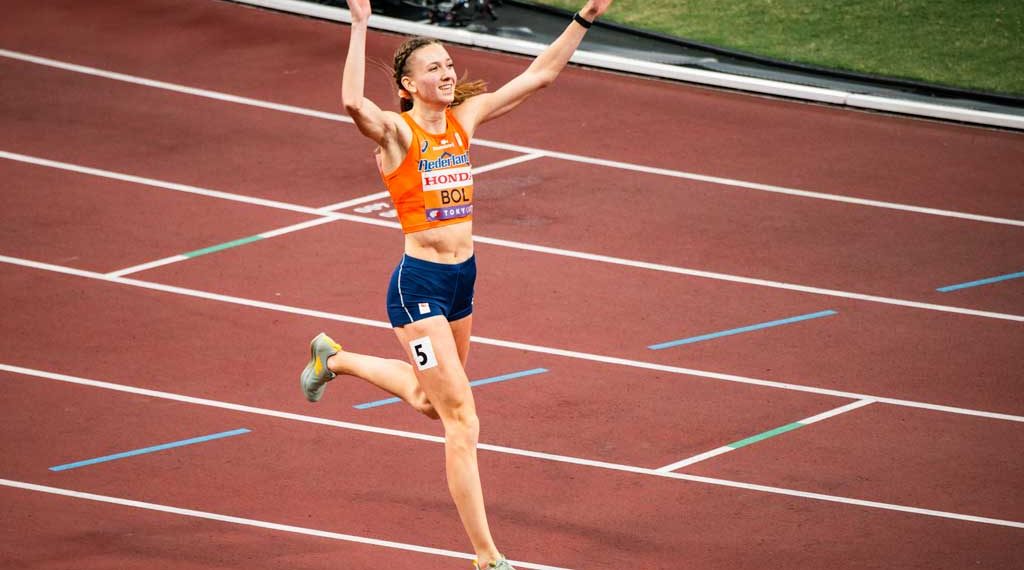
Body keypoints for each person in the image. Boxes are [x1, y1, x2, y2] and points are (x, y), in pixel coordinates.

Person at [300, 1, 612, 567]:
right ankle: (487, 558)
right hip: (415, 288)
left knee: (428, 401)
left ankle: (335, 360)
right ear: (408, 84)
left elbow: (540, 75)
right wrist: (360, 24)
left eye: (449, 64)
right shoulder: (397, 133)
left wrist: (586, 15)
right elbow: (351, 101)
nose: (447, 73)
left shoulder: (465, 120)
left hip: (462, 282)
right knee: (461, 419)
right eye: (434, 68)